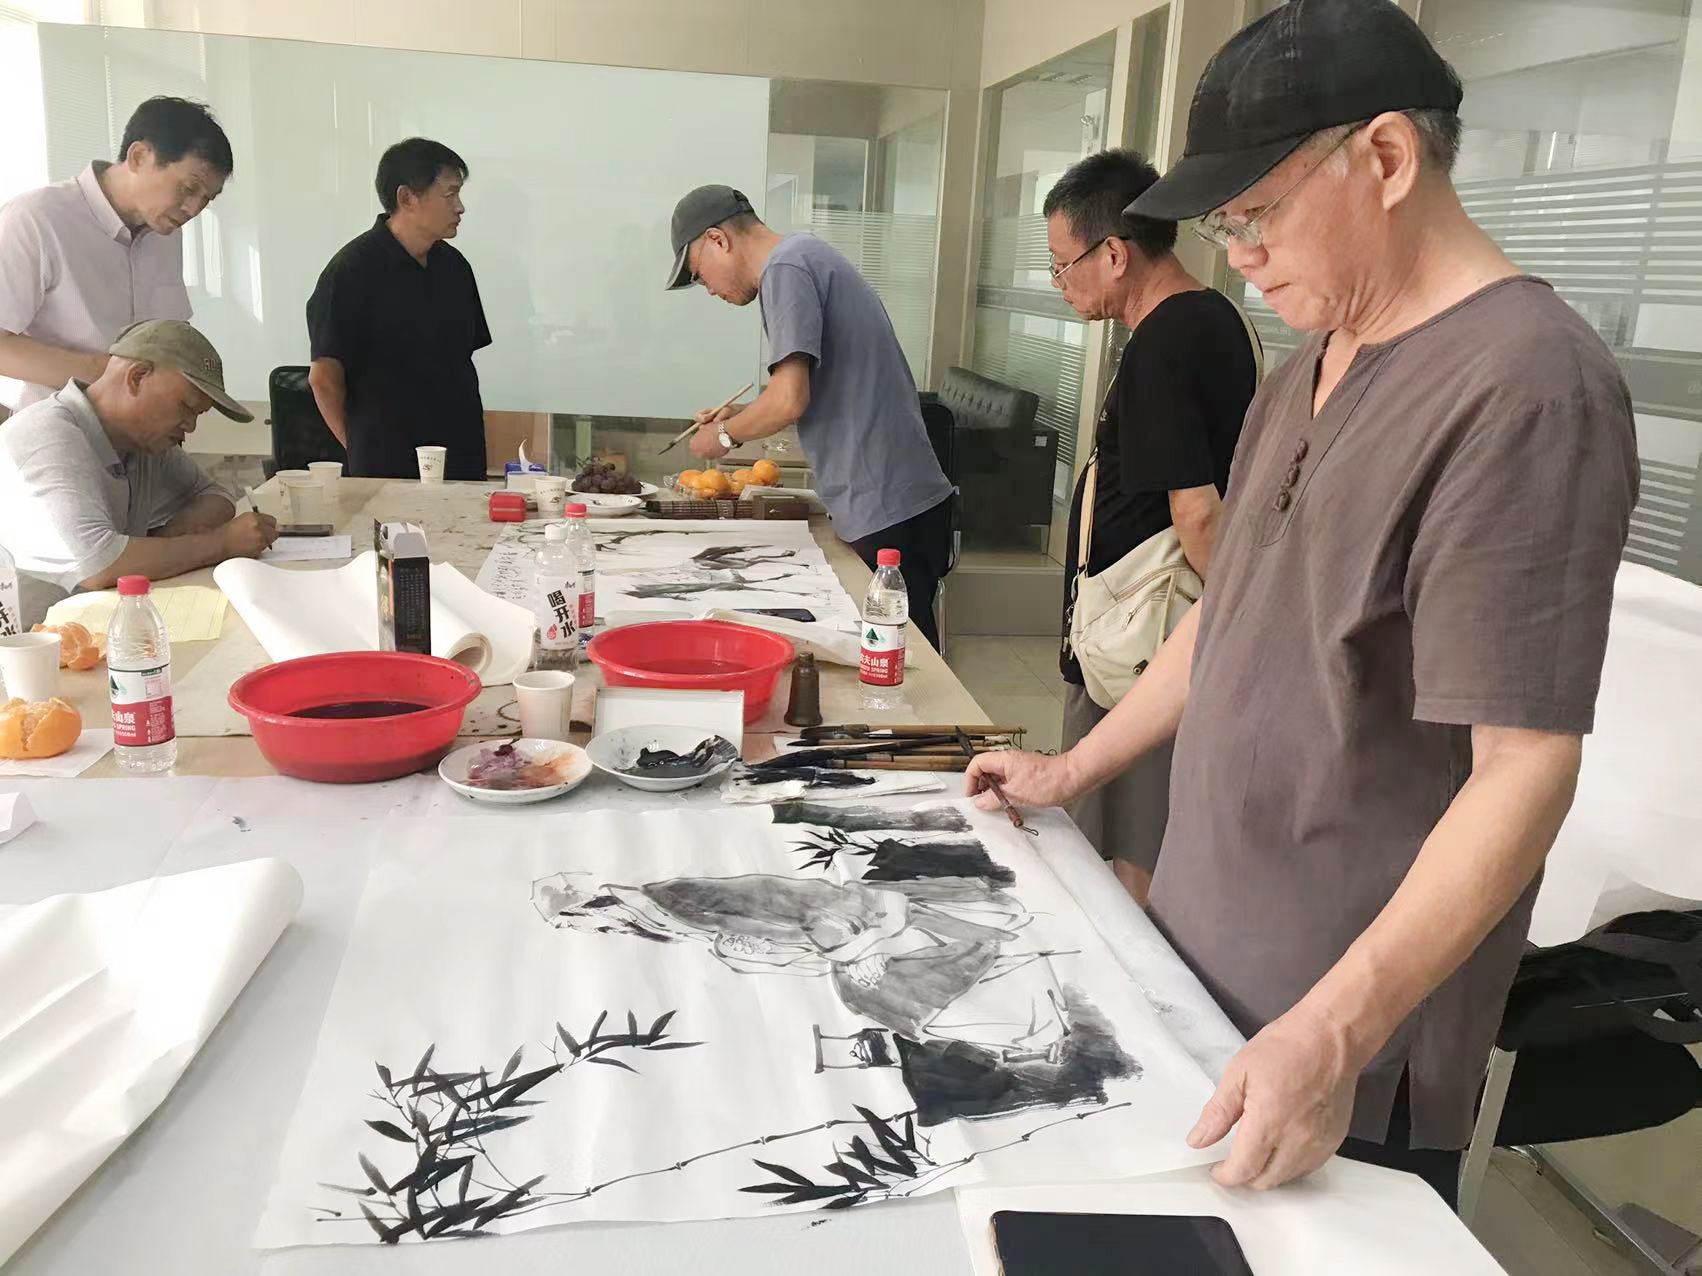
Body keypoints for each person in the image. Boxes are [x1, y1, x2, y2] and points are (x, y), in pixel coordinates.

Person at [966, 0, 1638, 1207]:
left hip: (1337, 1037)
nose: (1238, 253)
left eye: (1257, 214)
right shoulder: (1304, 365)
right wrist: (1073, 770)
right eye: (1223, 225)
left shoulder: (1527, 389)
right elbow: (1225, 620)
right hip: (1203, 962)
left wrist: (1334, 1032)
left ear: (1384, 156)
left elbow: (1524, 766)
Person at [1043, 150, 1257, 905]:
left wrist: (1232, 624)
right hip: (1156, 624)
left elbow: (1196, 508)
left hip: (1142, 633)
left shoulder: (1165, 342)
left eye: (1062, 265)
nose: (1060, 283)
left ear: (1114, 253)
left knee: (1126, 840)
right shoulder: (1217, 318)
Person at [664, 185, 955, 649]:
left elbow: (788, 400)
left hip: (883, 500)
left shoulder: (786, 269)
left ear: (719, 239)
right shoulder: (804, 255)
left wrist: (722, 437)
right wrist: (742, 413)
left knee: (898, 660)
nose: (711, 290)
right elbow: (816, 389)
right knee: (901, 648)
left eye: (701, 275)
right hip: (897, 494)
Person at [0, 319, 277, 627]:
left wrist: (160, 544)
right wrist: (221, 543)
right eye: (186, 407)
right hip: (26, 645)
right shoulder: (49, 435)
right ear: (137, 377)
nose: (191, 426)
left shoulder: (143, 441)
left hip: (94, 628)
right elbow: (99, 564)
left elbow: (216, 497)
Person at [0, 96, 232, 415]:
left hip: (149, 433)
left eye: (206, 199)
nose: (194, 210)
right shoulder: (37, 218)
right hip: (60, 429)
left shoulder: (166, 232)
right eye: (189, 188)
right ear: (139, 157)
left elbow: (167, 338)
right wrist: (108, 374)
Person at [306, 138, 490, 481]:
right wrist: (360, 447)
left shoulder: (455, 268)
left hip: (461, 457)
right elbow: (323, 379)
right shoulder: (350, 272)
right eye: (449, 195)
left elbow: (460, 363)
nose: (460, 207)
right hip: (387, 464)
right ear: (407, 198)